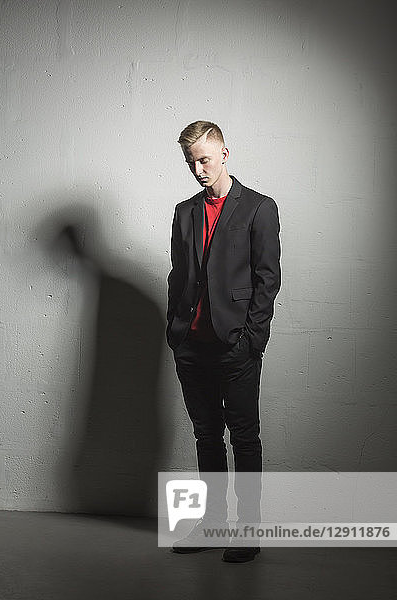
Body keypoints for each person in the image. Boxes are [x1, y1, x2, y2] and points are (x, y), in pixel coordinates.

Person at [166, 121, 281, 562]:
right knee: (206, 435)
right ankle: (212, 524)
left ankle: (247, 530)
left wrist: (253, 339)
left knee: (245, 438)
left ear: (225, 154)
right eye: (191, 162)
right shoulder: (184, 211)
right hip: (191, 344)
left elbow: (267, 279)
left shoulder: (258, 208)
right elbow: (180, 276)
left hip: (236, 344)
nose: (198, 170)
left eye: (205, 160)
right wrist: (174, 329)